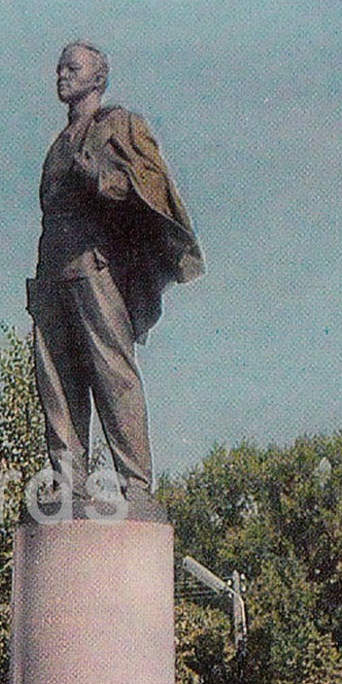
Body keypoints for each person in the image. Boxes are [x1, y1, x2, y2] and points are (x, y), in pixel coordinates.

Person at [27, 41, 203, 522]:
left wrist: (99, 175)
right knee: (57, 383)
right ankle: (67, 481)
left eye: (73, 67)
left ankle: (137, 486)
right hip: (51, 274)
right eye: (59, 66)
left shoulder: (119, 125)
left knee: (113, 374)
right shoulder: (57, 143)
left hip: (94, 268)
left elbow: (146, 186)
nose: (62, 74)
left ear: (98, 79)